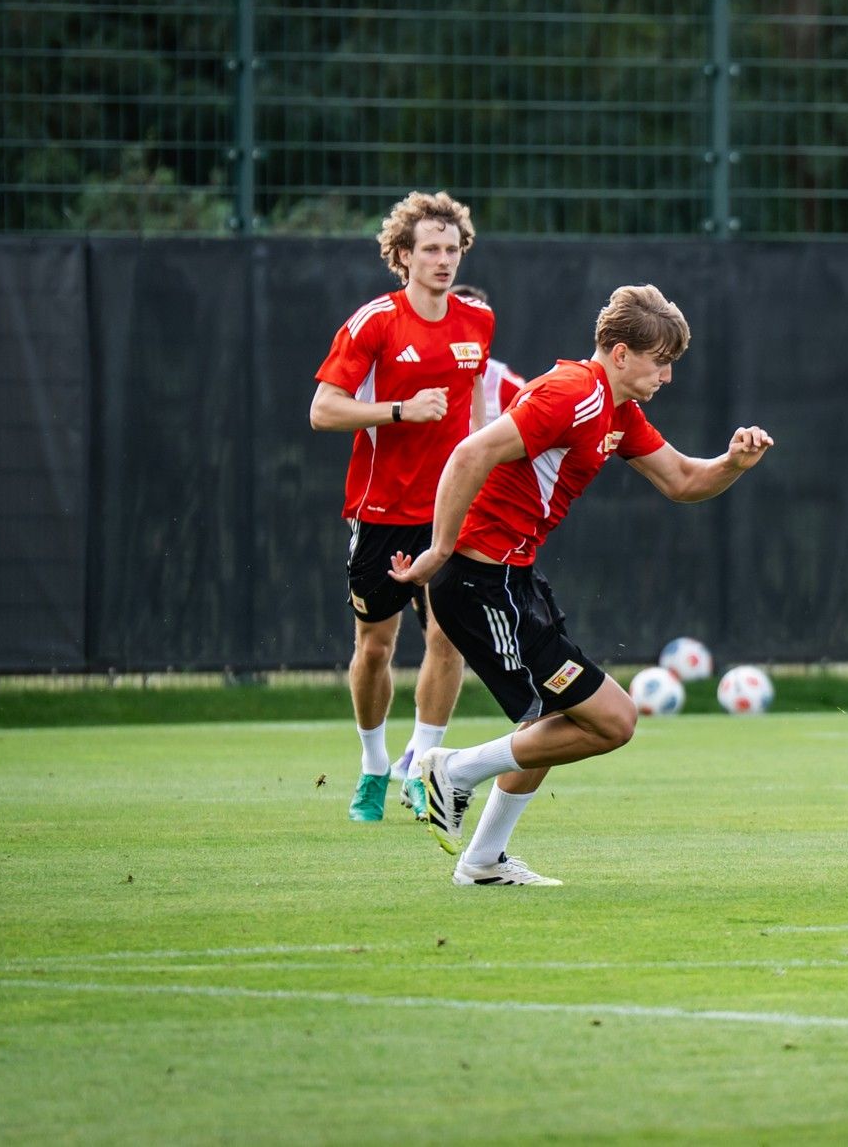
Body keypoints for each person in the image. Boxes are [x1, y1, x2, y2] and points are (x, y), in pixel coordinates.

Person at [390, 285, 772, 885]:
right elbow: (469, 454)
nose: (668, 376)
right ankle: (453, 770)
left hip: (515, 581)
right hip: (481, 584)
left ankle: (484, 858)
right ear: (621, 354)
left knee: (551, 723)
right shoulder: (572, 395)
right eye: (660, 361)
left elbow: (680, 480)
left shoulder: (616, 409)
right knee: (611, 720)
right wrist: (439, 551)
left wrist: (732, 464)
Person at [309, 193, 492, 824]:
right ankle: (372, 766)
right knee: (375, 648)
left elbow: (476, 417)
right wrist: (400, 411)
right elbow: (323, 410)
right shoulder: (374, 324)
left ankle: (422, 768)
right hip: (383, 513)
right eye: (430, 249)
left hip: (452, 513)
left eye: (452, 249)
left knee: (448, 639)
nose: (443, 260)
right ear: (403, 256)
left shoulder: (477, 323)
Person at [449, 284, 527, 429]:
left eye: (472, 322)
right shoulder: (417, 370)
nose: (464, 330)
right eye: (456, 320)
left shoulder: (504, 385)